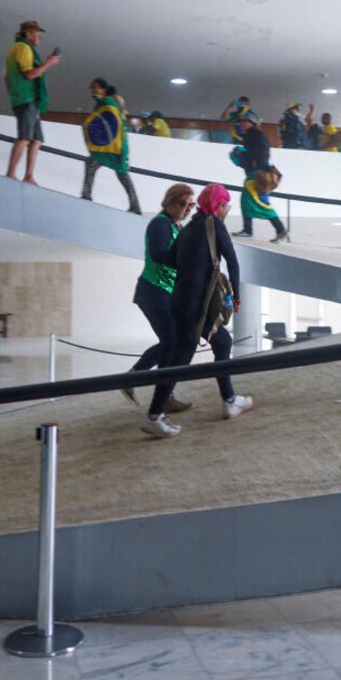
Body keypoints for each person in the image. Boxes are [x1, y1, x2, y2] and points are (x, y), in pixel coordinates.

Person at [142, 184, 253, 438]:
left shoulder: (190, 227)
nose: (226, 209)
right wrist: (235, 295)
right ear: (219, 205)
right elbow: (233, 261)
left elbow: (169, 259)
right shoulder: (214, 224)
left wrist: (195, 264)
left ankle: (230, 399)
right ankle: (154, 415)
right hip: (196, 305)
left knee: (222, 342)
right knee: (180, 358)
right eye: (225, 205)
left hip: (181, 301)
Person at [121, 183, 195, 412]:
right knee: (173, 341)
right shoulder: (160, 224)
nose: (188, 209)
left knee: (173, 342)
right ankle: (146, 385)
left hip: (165, 292)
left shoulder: (175, 225)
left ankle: (159, 389)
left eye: (191, 204)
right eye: (183, 204)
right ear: (170, 202)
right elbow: (159, 255)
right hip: (153, 291)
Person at [4, 20, 61, 184]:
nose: (39, 39)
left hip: (26, 99)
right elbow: (29, 74)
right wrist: (48, 63)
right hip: (26, 98)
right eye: (38, 35)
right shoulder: (23, 48)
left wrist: (14, 95)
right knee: (25, 137)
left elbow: (6, 78)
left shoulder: (16, 48)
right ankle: (11, 173)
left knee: (36, 139)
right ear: (29, 34)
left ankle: (28, 175)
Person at [81, 77, 142, 214]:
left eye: (94, 87)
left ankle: (87, 195)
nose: (91, 90)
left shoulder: (107, 103)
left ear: (102, 89)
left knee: (121, 173)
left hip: (113, 147)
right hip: (112, 147)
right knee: (94, 164)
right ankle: (134, 205)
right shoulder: (106, 103)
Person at [230, 111, 288, 243]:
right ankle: (250, 230)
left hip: (257, 174)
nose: (242, 124)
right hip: (255, 173)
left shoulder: (257, 135)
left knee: (260, 203)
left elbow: (261, 153)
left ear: (251, 122)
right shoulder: (250, 136)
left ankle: (279, 230)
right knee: (249, 202)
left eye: (244, 121)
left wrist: (245, 155)